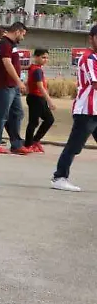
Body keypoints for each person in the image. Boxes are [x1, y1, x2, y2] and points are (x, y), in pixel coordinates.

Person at [52, 25, 97, 191]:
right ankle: (59, 177)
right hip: (86, 110)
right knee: (74, 146)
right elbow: (95, 83)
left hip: (96, 110)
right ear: (91, 38)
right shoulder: (88, 58)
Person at [0, 22, 31, 155]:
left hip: (12, 86)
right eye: (23, 34)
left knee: (18, 113)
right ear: (17, 31)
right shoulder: (5, 43)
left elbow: (14, 64)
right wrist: (19, 82)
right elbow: (7, 63)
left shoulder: (12, 45)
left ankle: (16, 144)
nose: (23, 37)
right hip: (4, 85)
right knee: (2, 114)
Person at [24, 48, 54, 153]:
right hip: (37, 98)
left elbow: (26, 69)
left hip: (35, 98)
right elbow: (41, 87)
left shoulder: (34, 67)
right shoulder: (37, 70)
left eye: (47, 58)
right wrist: (49, 101)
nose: (45, 60)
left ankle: (33, 141)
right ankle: (29, 144)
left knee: (43, 120)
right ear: (36, 57)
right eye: (43, 57)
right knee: (37, 121)